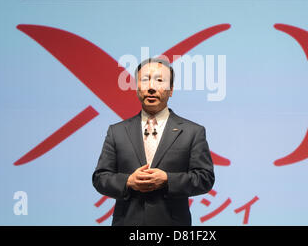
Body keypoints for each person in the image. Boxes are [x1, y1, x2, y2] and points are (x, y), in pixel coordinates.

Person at [92, 57, 215, 226]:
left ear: (171, 90)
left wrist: (167, 179)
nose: (151, 87)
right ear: (137, 88)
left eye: (159, 80)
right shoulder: (117, 131)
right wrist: (128, 181)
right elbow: (100, 178)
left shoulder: (192, 132)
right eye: (144, 80)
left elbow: (205, 178)